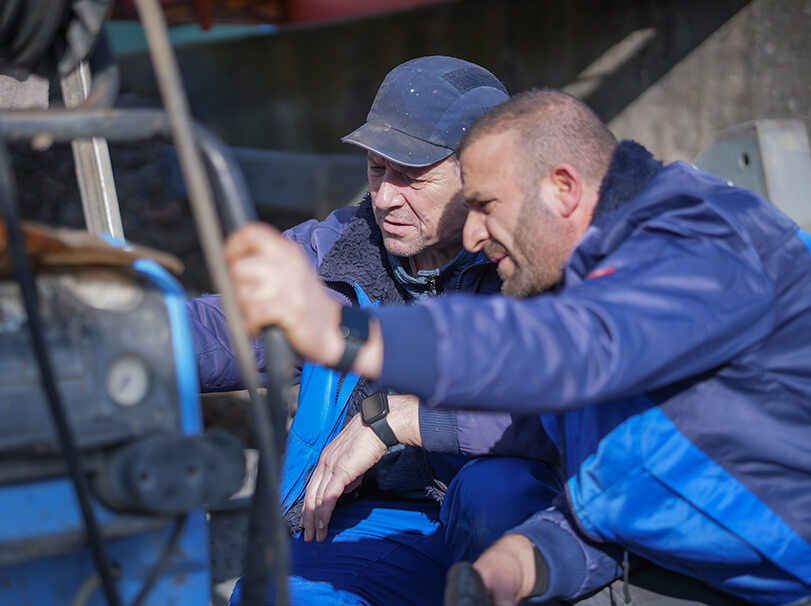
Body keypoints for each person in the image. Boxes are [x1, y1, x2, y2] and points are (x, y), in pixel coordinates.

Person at [225, 88, 811, 606]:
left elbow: (567, 350)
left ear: (562, 188)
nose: (474, 235)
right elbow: (607, 502)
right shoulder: (588, 277)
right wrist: (527, 560)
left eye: (486, 206)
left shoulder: (704, 239)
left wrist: (348, 336)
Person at [188, 57, 561, 606]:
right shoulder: (341, 249)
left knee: (496, 492)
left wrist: (402, 421)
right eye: (376, 168)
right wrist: (128, 339)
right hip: (372, 518)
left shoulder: (540, 262)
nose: (385, 198)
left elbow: (568, 413)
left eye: (412, 176)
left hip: (512, 519)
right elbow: (229, 324)